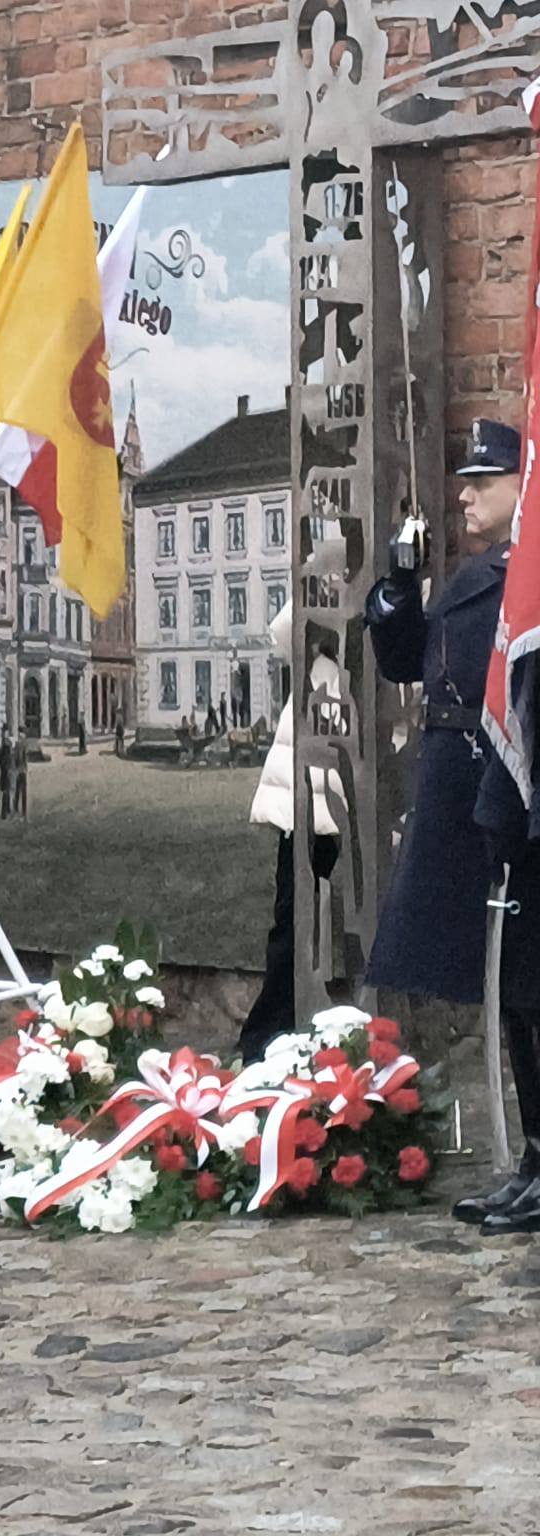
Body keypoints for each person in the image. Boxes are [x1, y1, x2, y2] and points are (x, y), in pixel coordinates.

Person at [368, 420, 540, 1232]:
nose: (465, 496)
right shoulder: (479, 574)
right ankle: (533, 1160)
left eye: (483, 482)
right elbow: (406, 661)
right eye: (463, 482)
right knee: (510, 989)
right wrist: (398, 588)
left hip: (507, 788)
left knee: (529, 984)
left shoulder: (526, 579)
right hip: (463, 787)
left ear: (523, 486)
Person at [238, 601, 344, 1062]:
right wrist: (322, 590)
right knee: (293, 920)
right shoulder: (314, 654)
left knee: (325, 925)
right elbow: (282, 631)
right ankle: (266, 1035)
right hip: (304, 805)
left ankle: (287, 1031)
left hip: (344, 799)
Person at [0, 728, 14, 820]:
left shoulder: (6, 744)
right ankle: (5, 811)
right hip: (6, 771)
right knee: (6, 791)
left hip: (6, 771)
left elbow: (1, 760)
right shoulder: (5, 745)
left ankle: (7, 809)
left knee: (6, 791)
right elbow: (2, 760)